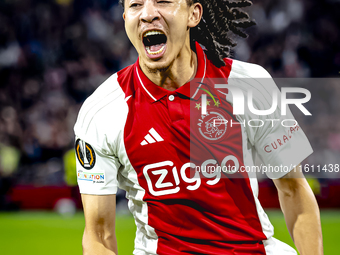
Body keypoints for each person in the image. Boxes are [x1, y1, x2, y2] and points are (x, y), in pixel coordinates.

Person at [74, 0, 323, 254]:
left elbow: (293, 190)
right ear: (125, 17)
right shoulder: (102, 112)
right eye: (136, 4)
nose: (148, 14)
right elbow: (98, 235)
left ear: (193, 15)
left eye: (163, 1)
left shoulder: (248, 85)